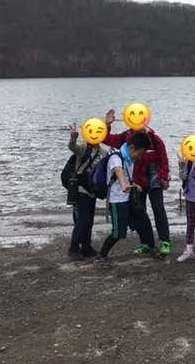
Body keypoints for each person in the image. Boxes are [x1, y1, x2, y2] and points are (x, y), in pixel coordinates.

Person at [102, 109, 172, 257]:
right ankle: (146, 244)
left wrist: (165, 177)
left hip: (154, 181)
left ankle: (165, 241)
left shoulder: (154, 139)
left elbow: (163, 158)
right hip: (136, 183)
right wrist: (107, 125)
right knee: (140, 213)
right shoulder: (126, 137)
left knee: (158, 210)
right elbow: (106, 139)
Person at [94, 133, 158, 266]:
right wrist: (123, 185)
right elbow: (118, 171)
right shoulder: (116, 158)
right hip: (117, 201)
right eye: (139, 154)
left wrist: (135, 185)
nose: (140, 157)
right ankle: (101, 256)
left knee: (143, 221)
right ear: (132, 148)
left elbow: (128, 177)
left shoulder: (129, 159)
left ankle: (151, 247)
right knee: (118, 232)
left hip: (129, 198)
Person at [66, 123, 110, 260]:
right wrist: (73, 137)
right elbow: (72, 147)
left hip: (92, 189)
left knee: (89, 220)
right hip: (80, 189)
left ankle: (86, 247)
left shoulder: (104, 152)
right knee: (82, 220)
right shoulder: (83, 147)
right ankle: (73, 248)